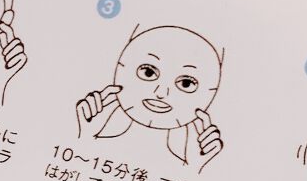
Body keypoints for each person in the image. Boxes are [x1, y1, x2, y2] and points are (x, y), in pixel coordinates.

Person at [76, 24, 224, 172]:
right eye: (148, 72)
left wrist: (195, 167)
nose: (161, 93)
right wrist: (85, 138)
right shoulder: (101, 128)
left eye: (186, 83)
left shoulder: (188, 153)